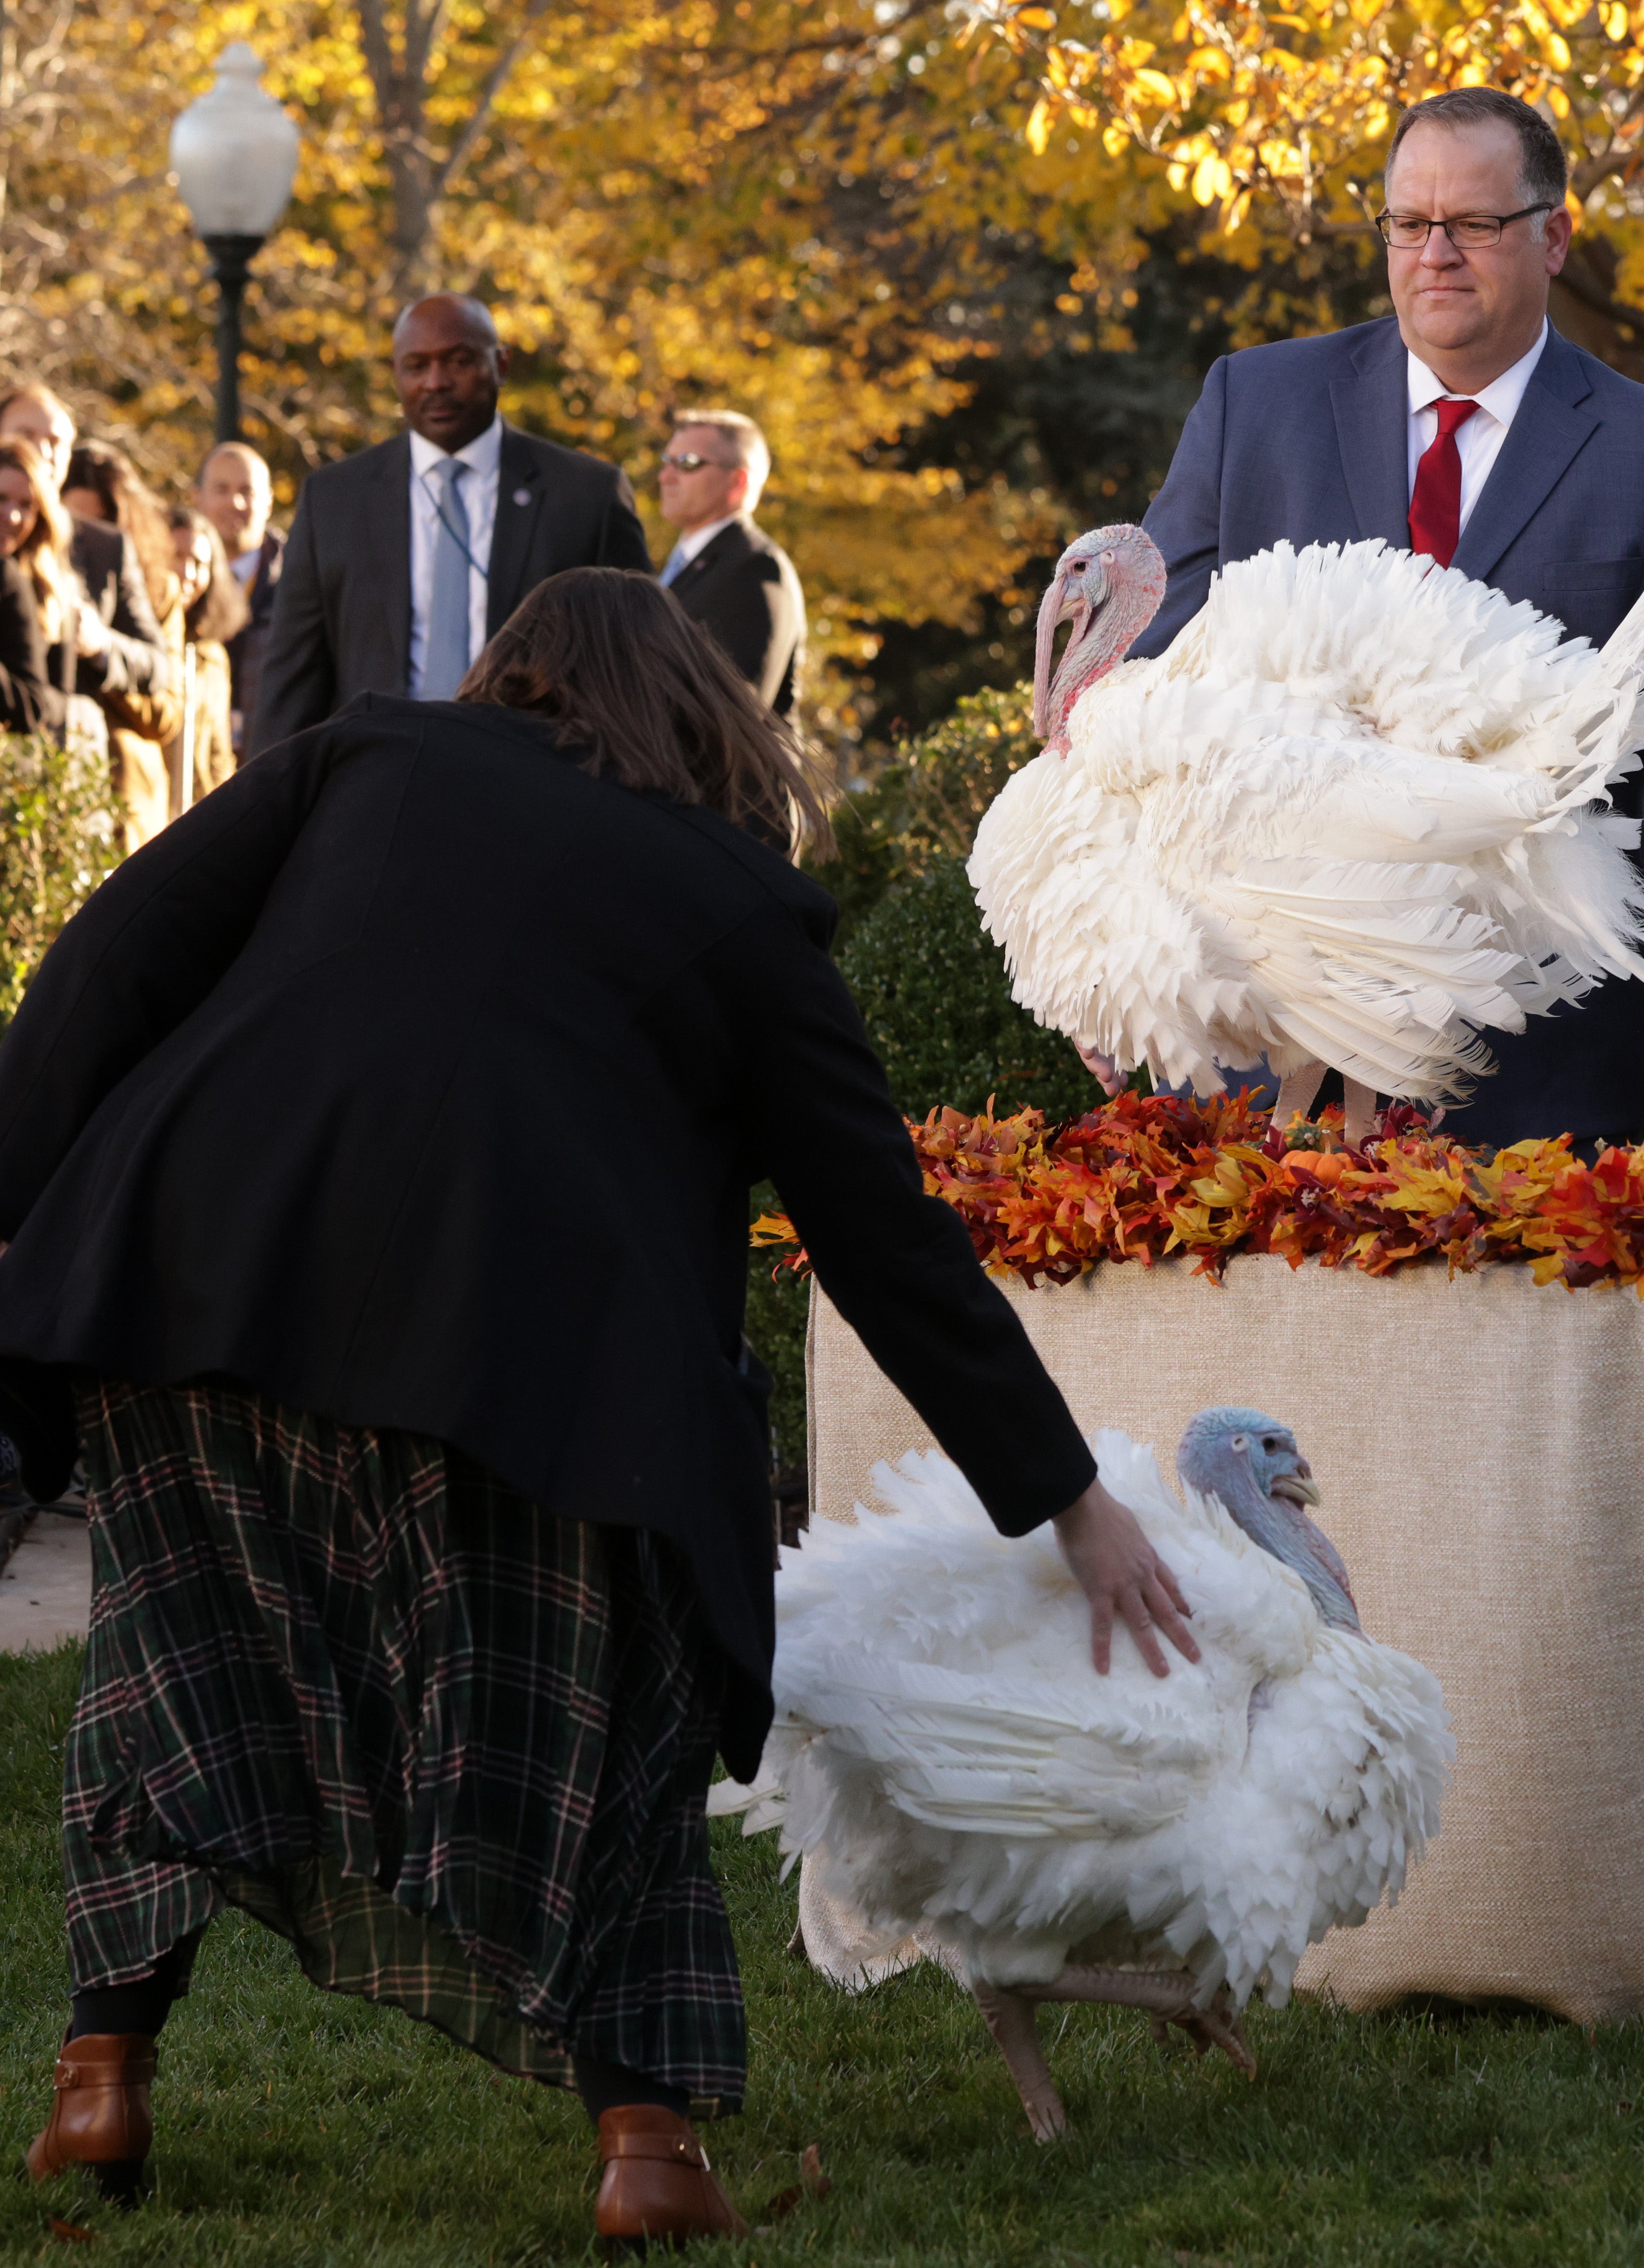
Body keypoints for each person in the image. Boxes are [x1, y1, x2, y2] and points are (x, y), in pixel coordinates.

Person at [0, 568, 1206, 2243]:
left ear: (516, 676)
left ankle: (100, 2076)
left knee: (170, 1679)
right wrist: (1070, 1496)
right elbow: (882, 1233)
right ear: (704, 712)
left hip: (207, 1285)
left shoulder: (368, 756)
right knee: (625, 1714)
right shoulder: (736, 897)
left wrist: (20, 1206)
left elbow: (104, 966)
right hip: (533, 1355)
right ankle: (647, 2147)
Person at [1134, 87, 1644, 1159]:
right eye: (1408, 222)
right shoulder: (1257, 408)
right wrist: (1120, 961)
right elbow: (1147, 688)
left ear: (1554, 237)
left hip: (1541, 1085)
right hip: (1265, 1066)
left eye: (1475, 223)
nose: (1435, 252)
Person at [248, 295, 652, 752]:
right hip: (381, 780)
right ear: (396, 375)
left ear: (500, 365)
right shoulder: (335, 499)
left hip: (541, 786)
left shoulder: (587, 495)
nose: (436, 383)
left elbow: (639, 669)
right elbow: (293, 673)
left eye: (459, 362)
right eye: (416, 366)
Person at [0, 390, 172, 824]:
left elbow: (159, 666)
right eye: (26, 433)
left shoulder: (104, 548)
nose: (43, 450)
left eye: (56, 441)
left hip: (66, 784)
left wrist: (101, 645)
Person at [57, 441, 188, 841]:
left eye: (96, 523)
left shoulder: (158, 591)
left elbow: (168, 712)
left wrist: (101, 652)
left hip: (127, 800)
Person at [654, 408, 805, 716]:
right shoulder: (686, 562)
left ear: (738, 481)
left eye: (687, 463)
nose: (665, 476)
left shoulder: (756, 569)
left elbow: (735, 717)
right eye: (667, 461)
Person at [0, 435, 107, 761]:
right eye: (1, 499)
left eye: (25, 505)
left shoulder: (47, 588)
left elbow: (42, 707)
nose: (13, 517)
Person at [192, 442, 282, 749]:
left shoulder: (301, 585)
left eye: (248, 491)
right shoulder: (170, 580)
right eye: (221, 489)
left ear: (269, 503)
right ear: (197, 498)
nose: (236, 502)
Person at [158, 504, 246, 810]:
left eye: (199, 563)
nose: (188, 573)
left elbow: (219, 756)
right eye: (177, 557)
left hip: (193, 819)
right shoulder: (138, 642)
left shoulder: (213, 657)